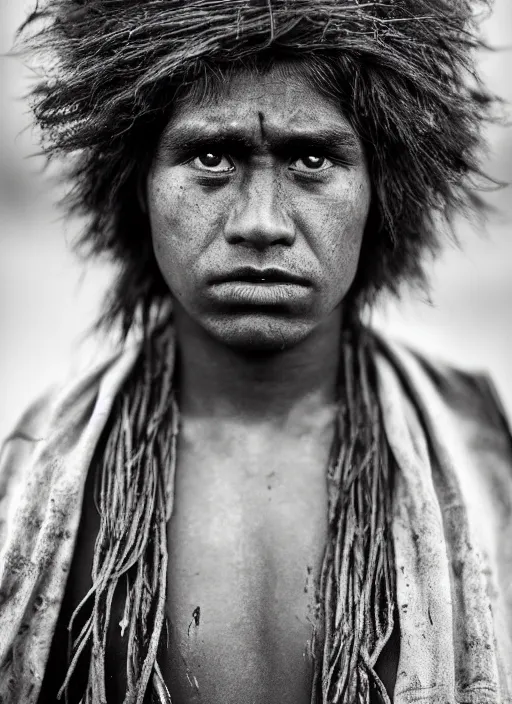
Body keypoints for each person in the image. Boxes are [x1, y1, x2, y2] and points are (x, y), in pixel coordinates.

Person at [0, 1, 511, 702]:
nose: (261, 224)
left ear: (379, 190)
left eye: (312, 158)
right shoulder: (43, 479)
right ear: (140, 185)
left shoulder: (483, 451)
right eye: (212, 157)